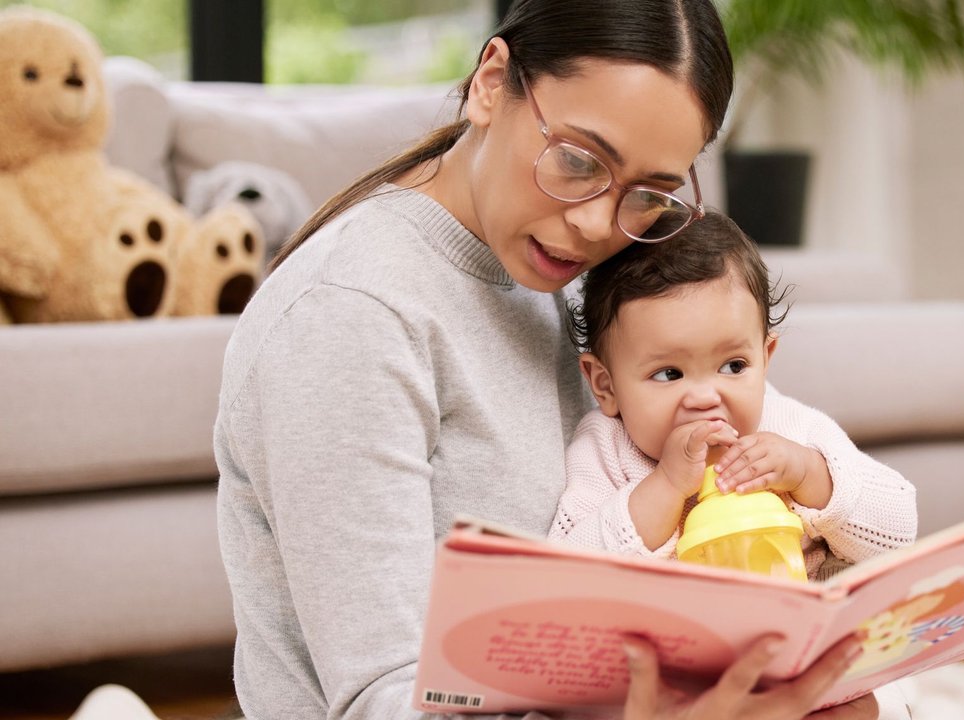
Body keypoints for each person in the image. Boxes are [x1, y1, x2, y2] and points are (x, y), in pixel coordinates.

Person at [215, 1, 890, 718]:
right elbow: (387, 700)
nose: (599, 224)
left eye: (650, 193)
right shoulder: (349, 315)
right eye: (577, 161)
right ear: (490, 82)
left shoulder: (563, 282)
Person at [550, 212, 917, 579]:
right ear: (605, 385)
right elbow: (565, 577)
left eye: (734, 366)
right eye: (669, 374)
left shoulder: (789, 425)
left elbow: (898, 532)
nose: (706, 398)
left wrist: (808, 474)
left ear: (765, 357)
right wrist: (666, 486)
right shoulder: (606, 450)